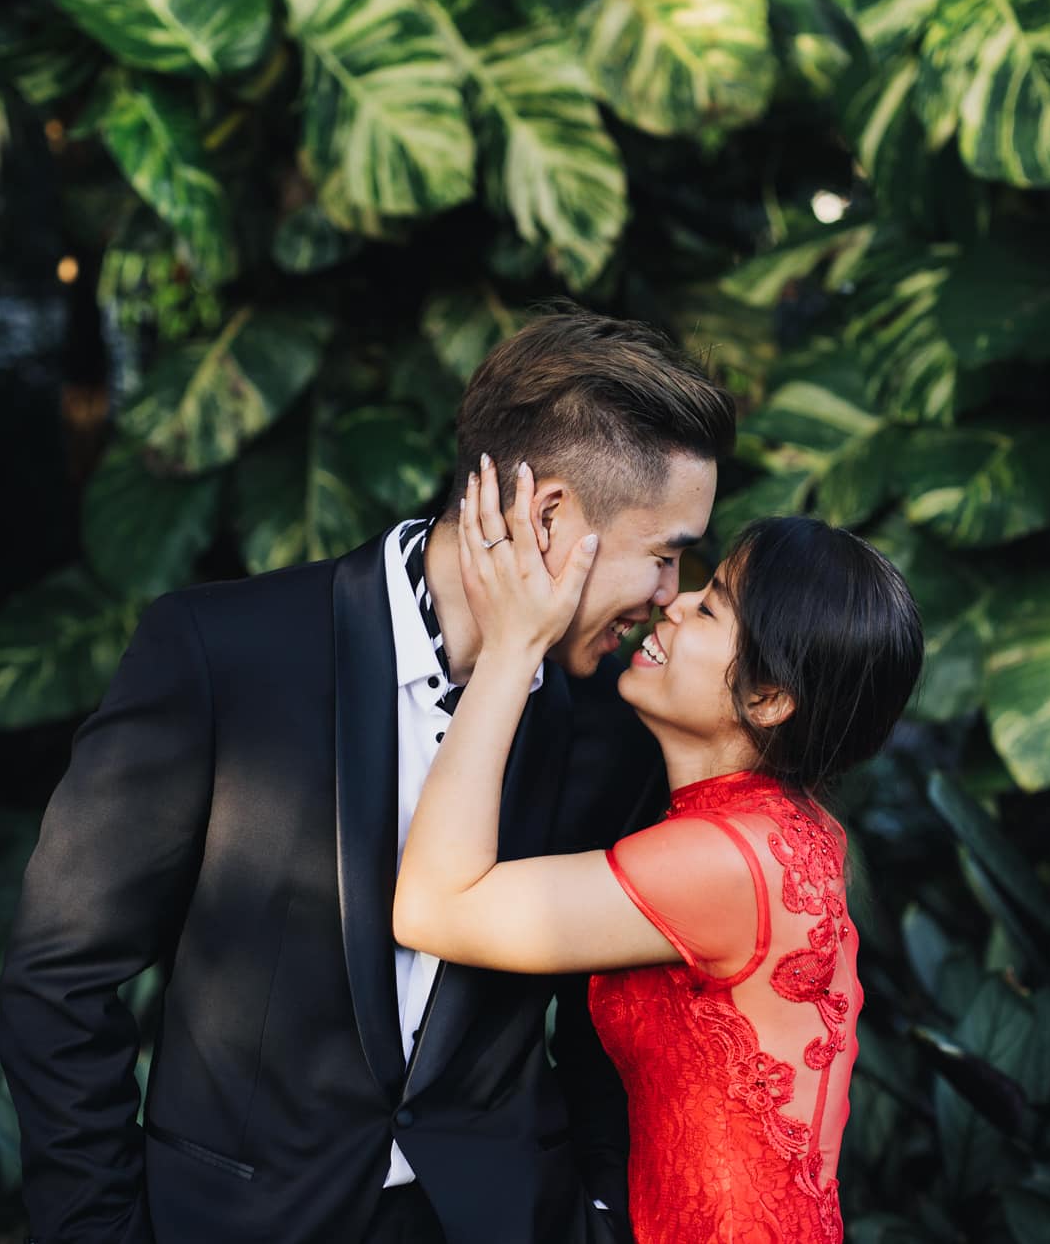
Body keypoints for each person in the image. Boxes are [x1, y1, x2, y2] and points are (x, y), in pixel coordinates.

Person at [0, 305, 736, 1244]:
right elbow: (59, 978)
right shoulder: (223, 653)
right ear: (550, 516)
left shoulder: (614, 727)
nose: (672, 597)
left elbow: (604, 1026)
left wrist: (600, 1213)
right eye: (664, 556)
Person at [394, 458, 925, 1244]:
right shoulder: (785, 828)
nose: (671, 605)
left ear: (770, 698)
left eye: (711, 611)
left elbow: (434, 906)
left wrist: (513, 647)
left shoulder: (721, 862)